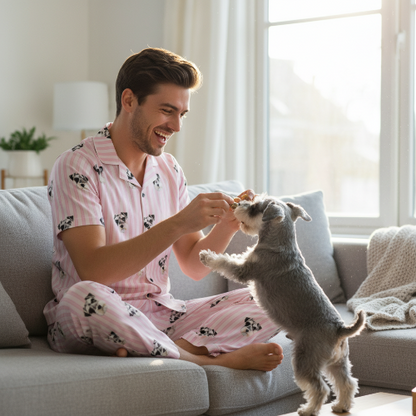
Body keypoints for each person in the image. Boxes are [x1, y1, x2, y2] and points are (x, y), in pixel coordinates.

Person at [44, 47, 283, 371]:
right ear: (129, 101)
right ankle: (206, 360)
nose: (176, 126)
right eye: (167, 110)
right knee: (83, 295)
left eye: (182, 114)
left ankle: (165, 349)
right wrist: (178, 223)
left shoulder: (168, 170)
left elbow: (194, 265)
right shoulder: (77, 165)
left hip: (163, 314)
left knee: (276, 292)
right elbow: (93, 270)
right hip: (96, 310)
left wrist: (226, 224)